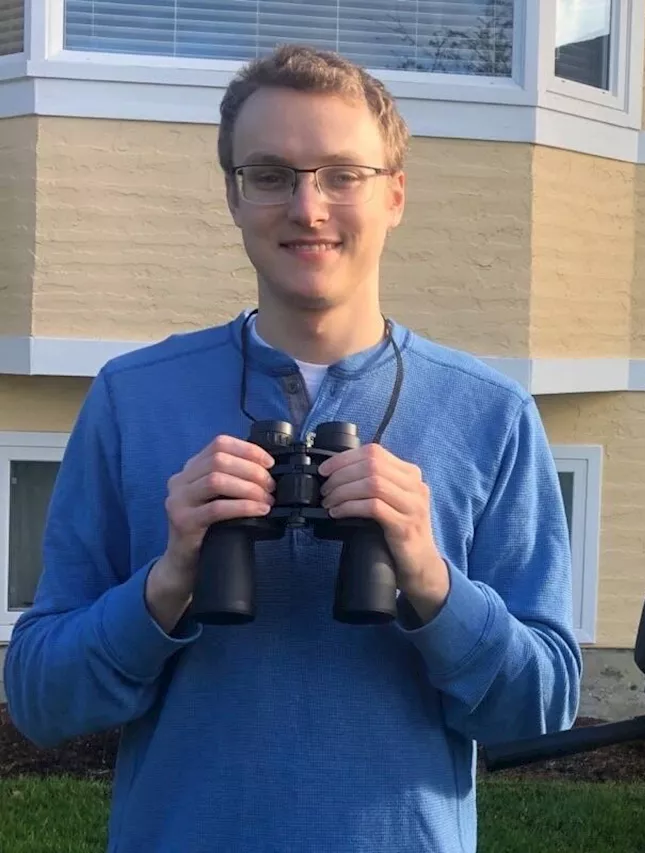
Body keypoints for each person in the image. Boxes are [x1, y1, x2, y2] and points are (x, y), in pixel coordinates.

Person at [3, 44, 581, 852]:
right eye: (270, 174)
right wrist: (167, 581)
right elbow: (39, 697)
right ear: (234, 197)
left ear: (396, 195)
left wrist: (430, 579)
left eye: (343, 174)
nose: (308, 208)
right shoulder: (133, 398)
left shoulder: (491, 414)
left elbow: (543, 705)